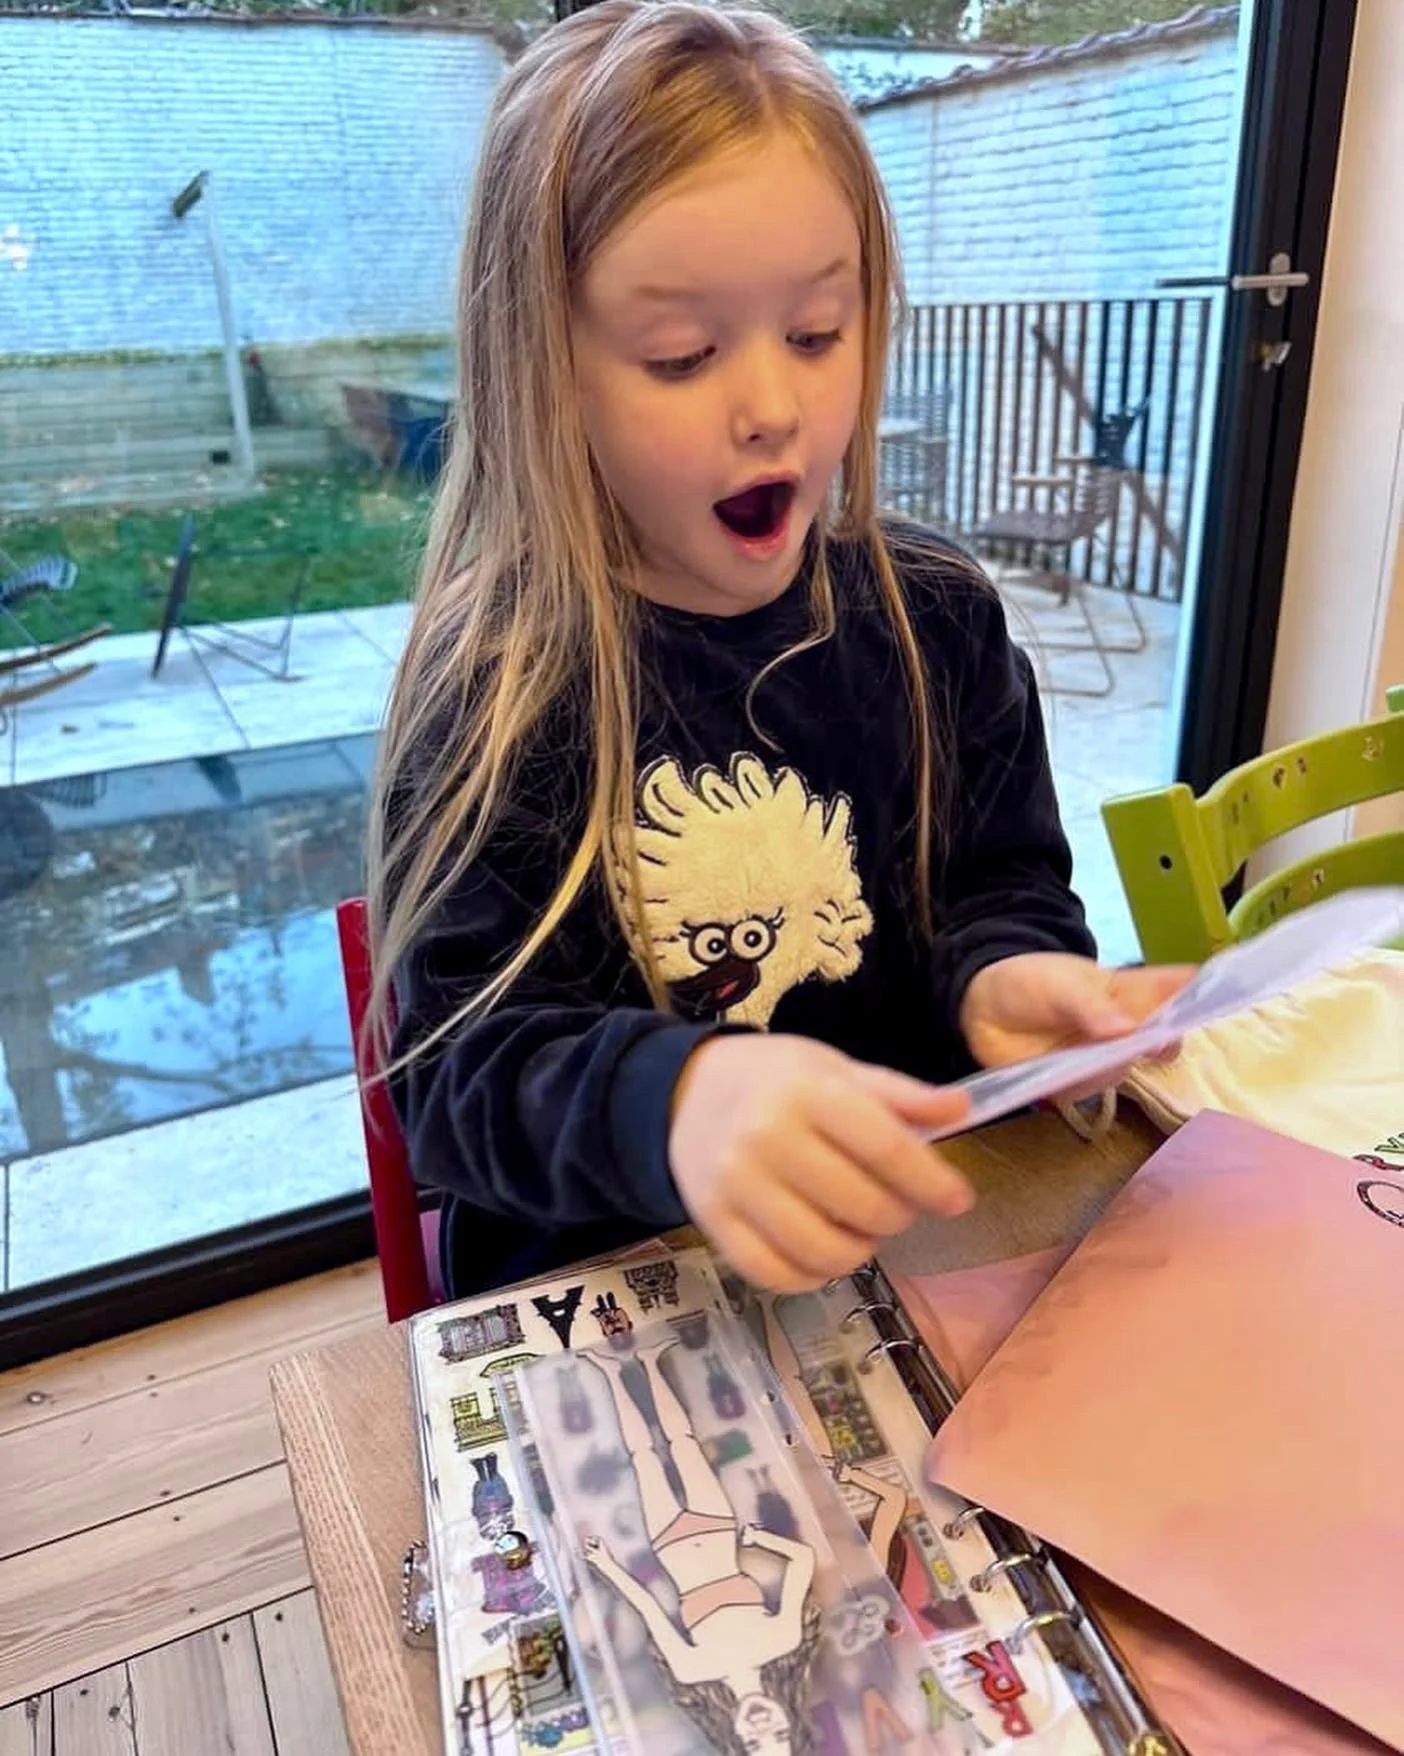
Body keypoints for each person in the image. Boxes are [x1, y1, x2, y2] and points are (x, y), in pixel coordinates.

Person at [366, 0, 1190, 1301]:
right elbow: (460, 1084)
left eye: (817, 334)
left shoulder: (940, 619)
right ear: (545, 367)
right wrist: (679, 1100)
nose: (773, 408)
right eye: (682, 354)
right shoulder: (504, 684)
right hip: (633, 1302)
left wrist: (1014, 977)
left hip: (928, 1255)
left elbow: (1002, 883)